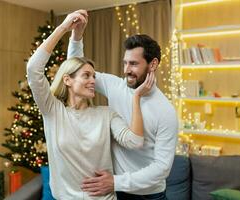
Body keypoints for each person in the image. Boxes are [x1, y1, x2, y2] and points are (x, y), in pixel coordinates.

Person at [27, 10, 155, 200]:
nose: (93, 80)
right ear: (68, 80)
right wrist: (65, 28)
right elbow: (33, 69)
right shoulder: (53, 110)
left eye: (94, 76)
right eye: (86, 75)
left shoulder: (106, 114)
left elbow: (135, 141)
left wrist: (136, 97)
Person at [68, 10, 178, 200]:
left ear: (153, 64)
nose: (126, 70)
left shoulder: (165, 111)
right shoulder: (115, 85)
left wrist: (116, 182)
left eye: (134, 64)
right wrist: (76, 36)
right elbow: (77, 68)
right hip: (115, 191)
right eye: (125, 63)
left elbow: (162, 168)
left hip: (149, 196)